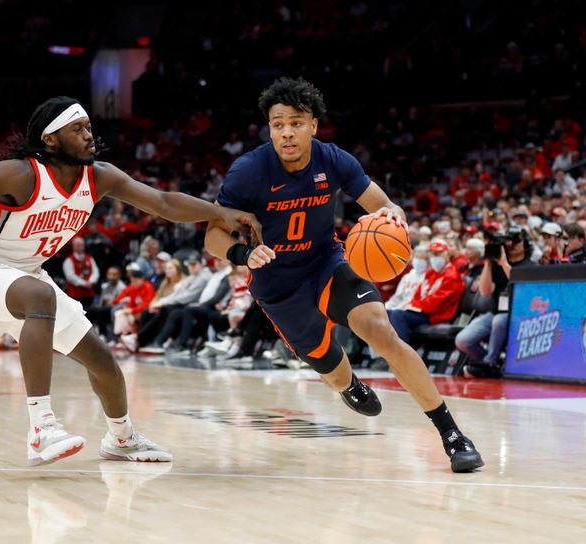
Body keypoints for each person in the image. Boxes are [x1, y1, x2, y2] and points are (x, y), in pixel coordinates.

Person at [0, 96, 260, 466]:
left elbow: (164, 202)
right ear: (51, 140)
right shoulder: (19, 174)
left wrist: (217, 212)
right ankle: (42, 428)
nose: (89, 134)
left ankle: (122, 438)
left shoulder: (100, 176)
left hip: (25, 276)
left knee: (103, 362)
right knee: (41, 296)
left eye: (89, 126)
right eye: (78, 129)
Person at [204, 77, 483, 472]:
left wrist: (391, 217)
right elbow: (213, 234)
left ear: (314, 125)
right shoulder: (249, 170)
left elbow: (385, 205)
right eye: (278, 123)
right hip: (278, 285)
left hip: (326, 263)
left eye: (296, 122)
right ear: (269, 127)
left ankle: (452, 435)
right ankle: (349, 385)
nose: (287, 131)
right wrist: (242, 253)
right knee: (333, 375)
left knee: (383, 332)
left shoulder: (333, 159)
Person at [458, 226, 534, 378]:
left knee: (499, 320)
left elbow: (521, 289)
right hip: (494, 312)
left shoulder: (530, 265)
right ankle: (492, 365)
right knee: (462, 340)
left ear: (525, 245)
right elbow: (485, 291)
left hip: (519, 314)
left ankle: (490, 362)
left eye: (516, 242)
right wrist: (488, 263)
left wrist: (504, 264)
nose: (511, 246)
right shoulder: (496, 264)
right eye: (509, 242)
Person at [62, 236, 99, 307]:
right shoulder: (69, 260)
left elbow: (95, 272)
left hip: (89, 293)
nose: (80, 247)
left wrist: (91, 282)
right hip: (75, 294)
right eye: (77, 245)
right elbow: (70, 276)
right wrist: (84, 283)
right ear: (73, 247)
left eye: (81, 245)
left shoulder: (90, 259)